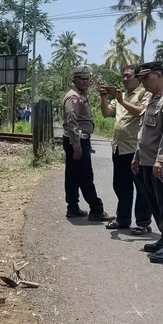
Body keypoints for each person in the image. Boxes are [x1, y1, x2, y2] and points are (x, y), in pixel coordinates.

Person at [130, 63, 163, 263]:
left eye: (146, 78)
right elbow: (144, 132)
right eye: (141, 79)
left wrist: (161, 161)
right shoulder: (152, 99)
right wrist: (137, 155)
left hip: (162, 164)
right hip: (147, 161)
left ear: (159, 75)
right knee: (153, 201)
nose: (143, 82)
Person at [99, 65, 153, 235]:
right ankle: (123, 219)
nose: (125, 79)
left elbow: (142, 112)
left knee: (141, 187)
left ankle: (143, 222)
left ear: (138, 78)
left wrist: (122, 101)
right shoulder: (120, 96)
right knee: (121, 185)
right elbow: (107, 112)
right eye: (123, 76)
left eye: (128, 76)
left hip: (134, 149)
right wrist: (104, 97)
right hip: (119, 148)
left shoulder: (144, 93)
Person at [62, 66, 114, 221]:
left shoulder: (80, 96)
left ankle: (73, 207)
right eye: (81, 78)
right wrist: (77, 145)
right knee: (85, 175)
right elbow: (71, 121)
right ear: (74, 80)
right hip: (76, 140)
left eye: (86, 78)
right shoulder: (74, 98)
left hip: (77, 139)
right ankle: (96, 209)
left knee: (72, 175)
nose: (84, 81)